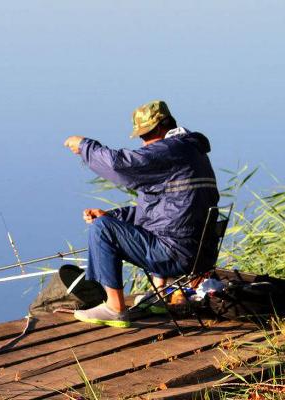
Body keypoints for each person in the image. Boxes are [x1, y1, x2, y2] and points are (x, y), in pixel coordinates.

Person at [63, 100, 219, 328]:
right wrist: (112, 215)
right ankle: (161, 295)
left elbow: (120, 165)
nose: (144, 143)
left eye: (146, 136)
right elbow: (165, 210)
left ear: (161, 127)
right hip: (199, 255)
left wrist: (85, 147)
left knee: (101, 229)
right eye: (141, 137)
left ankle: (115, 308)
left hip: (175, 255)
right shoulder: (192, 152)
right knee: (108, 222)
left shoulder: (170, 150)